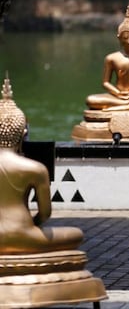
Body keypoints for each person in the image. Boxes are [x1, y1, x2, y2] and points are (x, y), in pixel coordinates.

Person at [0, 75, 84, 254]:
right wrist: (32, 226)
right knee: (75, 234)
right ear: (23, 134)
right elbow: (44, 213)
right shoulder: (35, 169)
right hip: (23, 233)